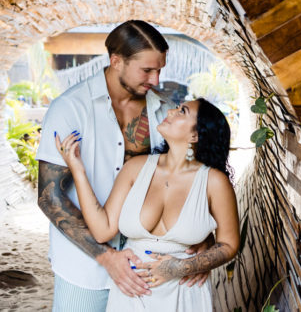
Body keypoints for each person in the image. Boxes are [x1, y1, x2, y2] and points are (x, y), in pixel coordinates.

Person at [36, 20, 208, 310]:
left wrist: (202, 242)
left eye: (160, 70)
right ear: (116, 61)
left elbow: (187, 178)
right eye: (147, 70)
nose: (155, 80)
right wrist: (106, 257)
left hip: (147, 268)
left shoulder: (164, 112)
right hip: (83, 268)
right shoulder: (69, 108)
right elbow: (49, 196)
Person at [55, 98, 240, 311]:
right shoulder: (135, 167)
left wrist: (182, 267)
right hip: (131, 293)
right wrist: (78, 170)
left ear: (195, 135)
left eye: (182, 111)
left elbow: (229, 244)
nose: (171, 111)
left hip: (185, 294)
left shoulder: (214, 182)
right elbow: (102, 230)